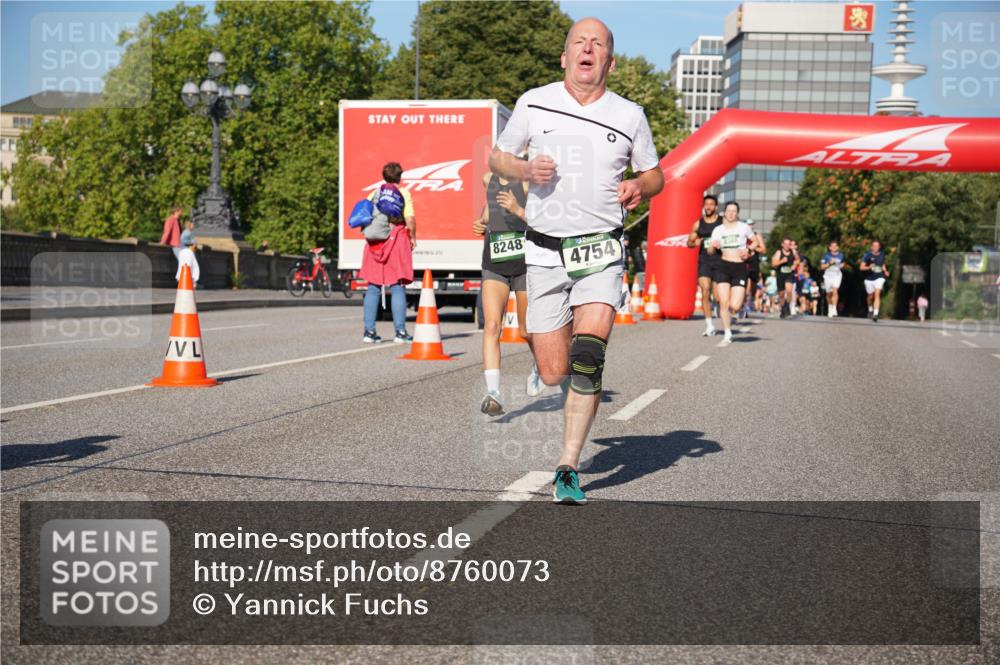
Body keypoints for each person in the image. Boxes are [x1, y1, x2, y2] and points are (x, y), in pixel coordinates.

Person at [489, 17, 663, 504]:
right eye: (579, 43)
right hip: (544, 250)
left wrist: (639, 185)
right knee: (552, 371)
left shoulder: (629, 115)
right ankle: (551, 369)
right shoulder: (534, 102)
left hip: (600, 250)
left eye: (597, 44)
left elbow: (656, 175)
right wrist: (525, 168)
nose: (587, 49)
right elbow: (498, 158)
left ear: (610, 60)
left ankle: (567, 466)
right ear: (564, 57)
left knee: (587, 359)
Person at [472, 171, 532, 416]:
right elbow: (489, 211)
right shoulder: (489, 179)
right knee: (492, 326)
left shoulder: (528, 184)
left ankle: (540, 366)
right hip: (494, 262)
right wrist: (481, 222)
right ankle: (493, 392)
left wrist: (518, 210)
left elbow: (546, 221)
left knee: (526, 331)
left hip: (525, 264)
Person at [359, 162, 417, 343]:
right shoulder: (403, 193)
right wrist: (413, 237)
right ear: (400, 177)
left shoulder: (374, 193)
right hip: (396, 239)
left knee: (373, 286)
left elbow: (365, 216)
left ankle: (369, 332)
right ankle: (400, 332)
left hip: (374, 242)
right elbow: (409, 219)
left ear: (383, 176)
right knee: (397, 285)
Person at [706, 201, 753, 345]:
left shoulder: (744, 227)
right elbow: (709, 251)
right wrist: (713, 246)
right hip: (723, 265)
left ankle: (737, 311)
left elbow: (755, 242)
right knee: (724, 303)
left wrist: (748, 251)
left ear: (737, 213)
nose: (731, 213)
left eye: (734, 211)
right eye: (729, 211)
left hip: (739, 267)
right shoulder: (718, 230)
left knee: (735, 305)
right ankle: (727, 332)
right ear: (724, 213)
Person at [687, 194, 722, 335]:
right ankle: (709, 326)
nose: (708, 207)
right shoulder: (698, 224)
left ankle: (718, 304)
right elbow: (689, 243)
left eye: (711, 204)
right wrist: (694, 242)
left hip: (720, 261)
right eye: (706, 204)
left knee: (718, 296)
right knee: (705, 291)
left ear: (716, 207)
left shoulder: (722, 222)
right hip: (704, 261)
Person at [741, 218, 765, 318]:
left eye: (751, 224)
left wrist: (753, 247)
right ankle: (744, 308)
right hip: (744, 263)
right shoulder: (741, 234)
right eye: (748, 224)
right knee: (746, 288)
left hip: (754, 263)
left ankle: (750, 300)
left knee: (753, 289)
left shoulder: (757, 236)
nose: (750, 226)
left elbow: (763, 250)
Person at [860, 240, 889, 322]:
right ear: (871, 247)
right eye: (874, 246)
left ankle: (875, 314)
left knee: (877, 293)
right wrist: (869, 267)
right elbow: (861, 267)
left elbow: (882, 264)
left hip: (879, 277)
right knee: (870, 296)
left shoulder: (882, 254)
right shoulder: (867, 255)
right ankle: (870, 309)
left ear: (879, 247)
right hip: (869, 279)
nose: (875, 247)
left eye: (877, 246)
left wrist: (885, 271)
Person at [771, 237, 798, 318]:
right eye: (785, 244)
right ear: (782, 244)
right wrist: (782, 261)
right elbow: (773, 264)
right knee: (781, 294)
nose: (787, 246)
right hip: (780, 275)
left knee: (789, 291)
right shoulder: (778, 252)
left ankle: (787, 306)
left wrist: (794, 265)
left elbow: (798, 260)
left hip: (789, 274)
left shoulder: (793, 252)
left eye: (789, 244)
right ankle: (783, 308)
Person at [820, 240, 847, 318]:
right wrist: (829, 263)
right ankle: (830, 307)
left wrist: (842, 265)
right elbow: (822, 267)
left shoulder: (841, 255)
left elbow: (843, 264)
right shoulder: (826, 255)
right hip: (828, 276)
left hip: (837, 275)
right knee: (829, 294)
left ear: (838, 247)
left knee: (835, 291)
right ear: (829, 247)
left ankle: (834, 309)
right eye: (832, 246)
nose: (834, 247)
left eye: (835, 246)